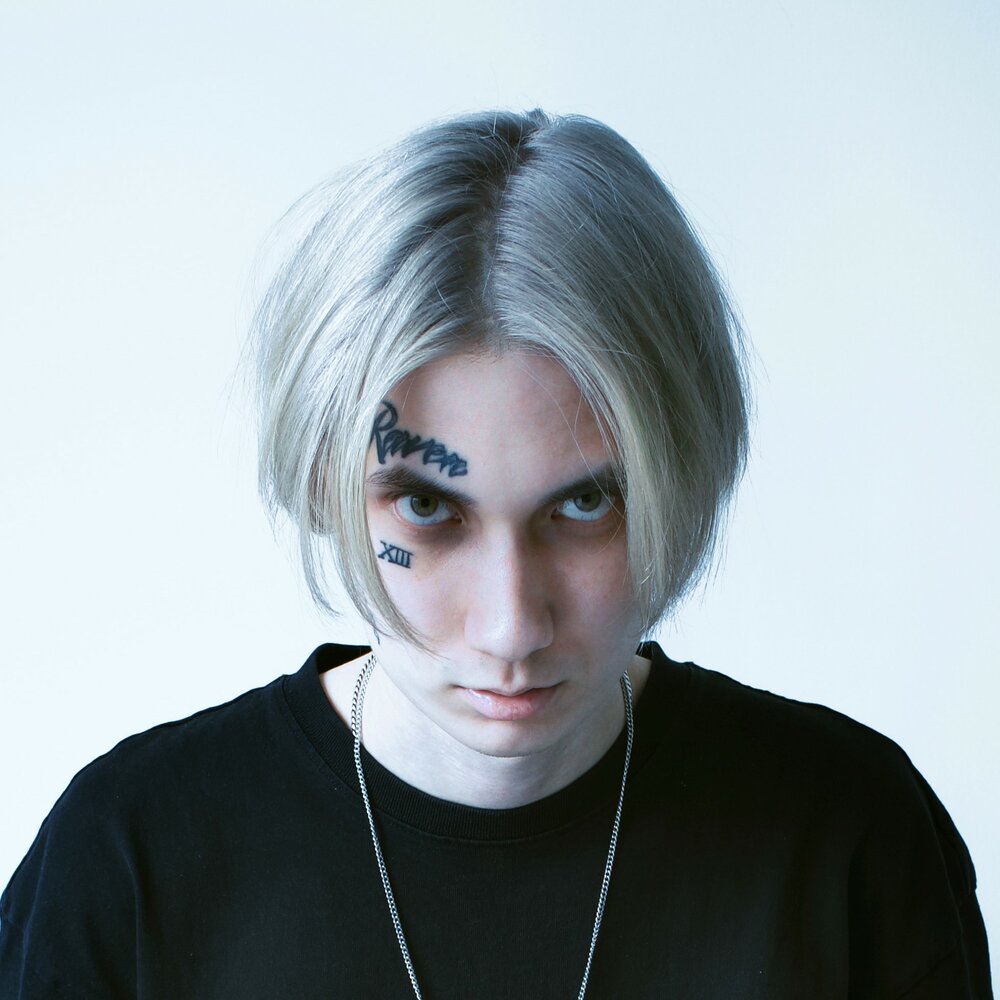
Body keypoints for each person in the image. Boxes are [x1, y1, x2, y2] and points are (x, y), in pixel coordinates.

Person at [0, 109, 991, 999]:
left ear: (682, 473)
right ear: (319, 475)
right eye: (428, 507)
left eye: (585, 504)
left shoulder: (849, 838)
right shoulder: (128, 859)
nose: (511, 625)